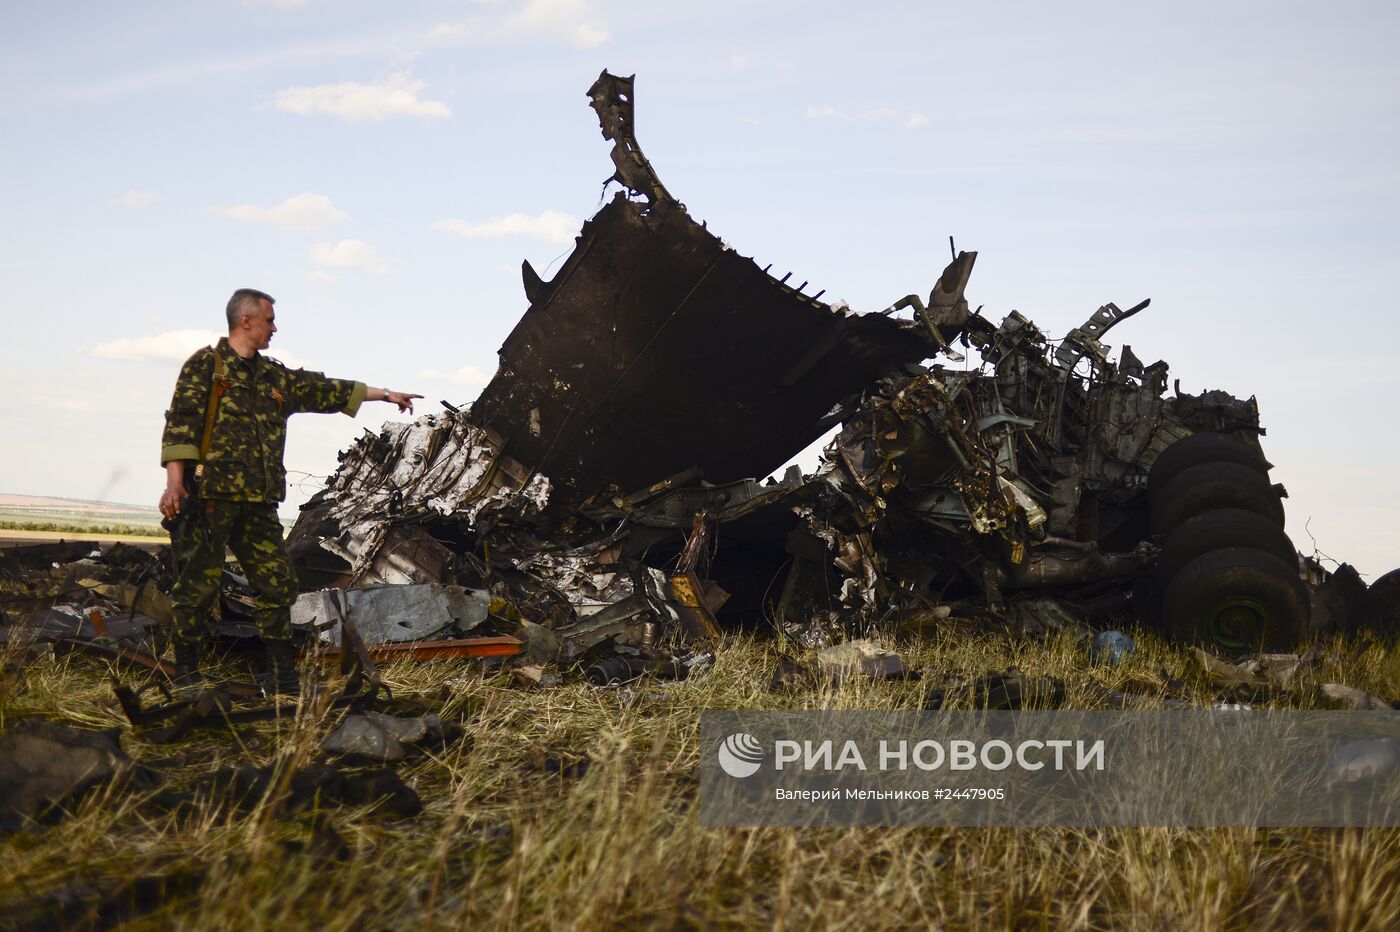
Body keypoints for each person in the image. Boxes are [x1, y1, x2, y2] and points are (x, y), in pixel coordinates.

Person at [158, 288, 421, 693]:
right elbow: (181, 425)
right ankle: (187, 676)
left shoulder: (273, 377)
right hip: (210, 500)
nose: (274, 328)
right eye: (269, 320)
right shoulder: (207, 368)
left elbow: (325, 390)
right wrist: (175, 484)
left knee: (278, 585)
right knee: (196, 586)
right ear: (246, 320)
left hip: (259, 504)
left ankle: (282, 677)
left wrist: (384, 394)